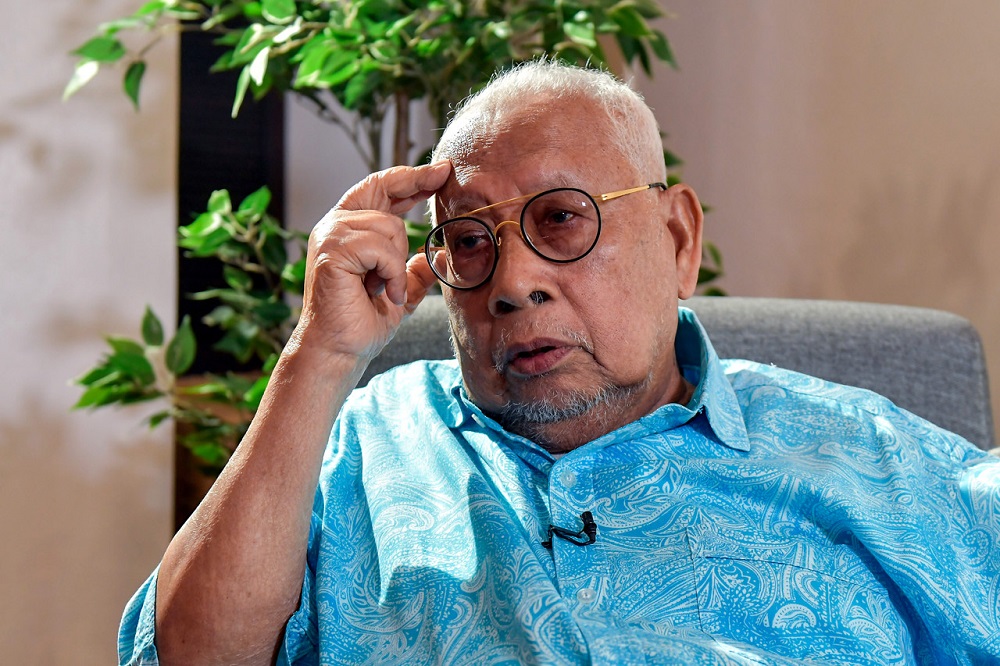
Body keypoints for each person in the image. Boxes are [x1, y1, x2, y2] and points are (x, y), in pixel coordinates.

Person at [119, 61, 1000, 665]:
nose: (514, 283)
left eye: (562, 219)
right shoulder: (364, 441)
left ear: (679, 237)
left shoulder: (860, 452)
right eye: (470, 242)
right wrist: (317, 354)